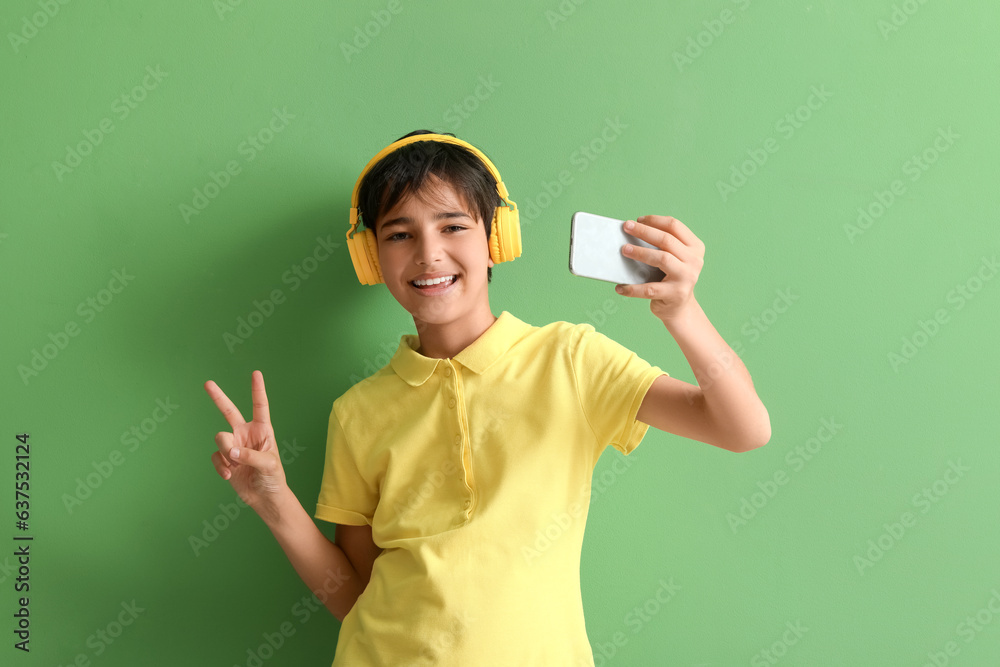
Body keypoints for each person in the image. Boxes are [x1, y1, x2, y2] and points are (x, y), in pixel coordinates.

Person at [204, 130, 771, 666]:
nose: (428, 253)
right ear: (373, 257)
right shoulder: (356, 412)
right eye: (399, 234)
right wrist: (272, 500)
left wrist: (682, 311)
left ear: (497, 239)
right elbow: (353, 595)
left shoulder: (569, 358)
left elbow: (742, 428)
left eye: (453, 227)